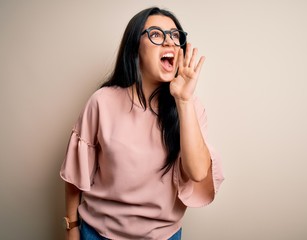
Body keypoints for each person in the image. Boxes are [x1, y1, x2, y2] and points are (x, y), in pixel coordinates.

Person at [60, 6, 224, 240]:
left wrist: (183, 100)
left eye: (175, 35)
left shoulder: (189, 105)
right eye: (156, 34)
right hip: (97, 234)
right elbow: (75, 176)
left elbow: (197, 172)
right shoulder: (102, 102)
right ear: (135, 48)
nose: (169, 42)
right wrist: (72, 228)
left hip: (164, 236)